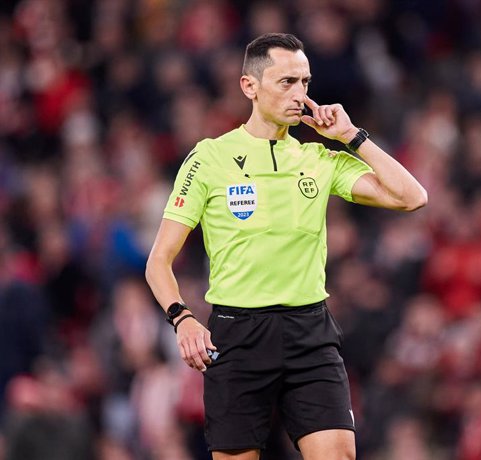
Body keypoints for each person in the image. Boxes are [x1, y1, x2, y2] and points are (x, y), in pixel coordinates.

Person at [145, 32, 427, 460]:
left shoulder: (319, 158)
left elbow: (412, 197)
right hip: (238, 336)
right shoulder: (209, 158)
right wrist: (182, 319)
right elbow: (159, 262)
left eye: (306, 82)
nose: (300, 94)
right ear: (249, 87)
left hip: (309, 332)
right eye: (287, 82)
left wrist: (352, 135)